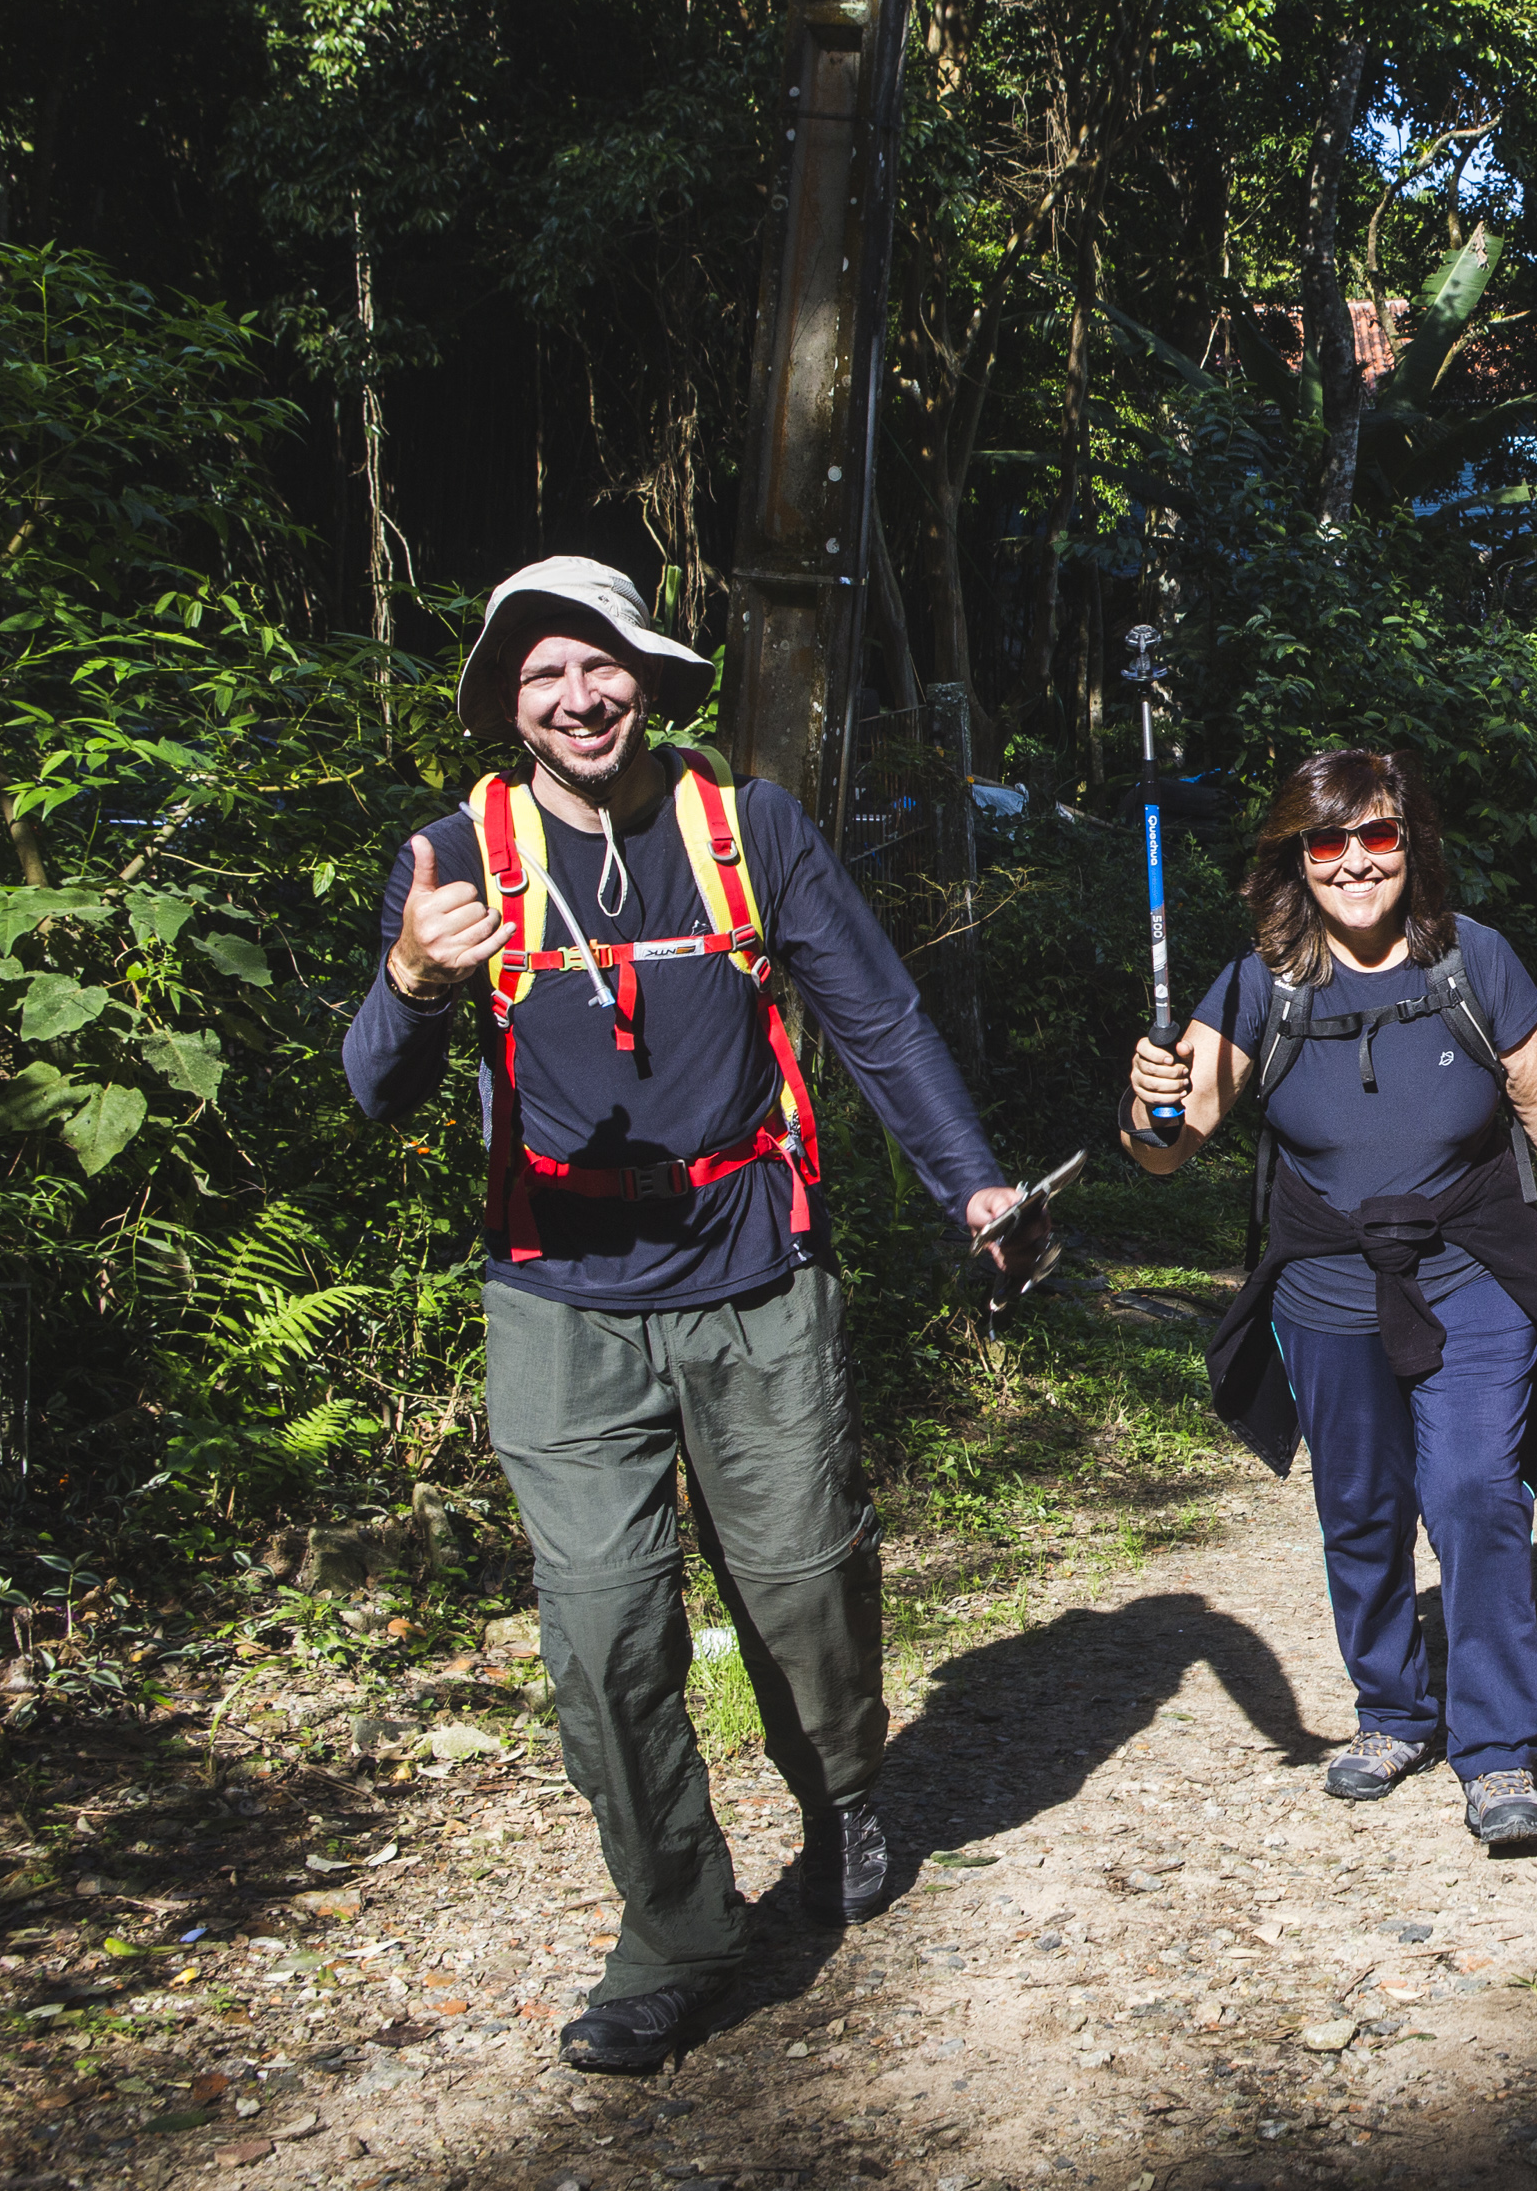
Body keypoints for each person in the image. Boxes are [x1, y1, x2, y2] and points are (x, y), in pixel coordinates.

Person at [345, 557, 1032, 2073]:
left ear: (648, 675)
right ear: (508, 706)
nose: (580, 697)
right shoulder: (458, 853)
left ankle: (845, 1781)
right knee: (602, 1632)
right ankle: (677, 1931)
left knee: (800, 1579)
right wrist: (409, 976)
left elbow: (875, 1016)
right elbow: (373, 1084)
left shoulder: (746, 826)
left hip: (757, 1273)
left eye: (603, 666)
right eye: (543, 678)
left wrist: (973, 1186)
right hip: (558, 1299)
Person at [1125, 748, 1537, 1847]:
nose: (1357, 862)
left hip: (1471, 1267)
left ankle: (1498, 1751)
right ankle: (1392, 1711)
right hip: (1325, 1284)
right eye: (1331, 840)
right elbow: (1170, 1154)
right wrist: (1148, 1108)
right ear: (1297, 856)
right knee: (1360, 1510)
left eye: (1380, 836)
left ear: (1412, 846)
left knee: (1472, 1491)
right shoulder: (1256, 985)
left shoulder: (1477, 962)